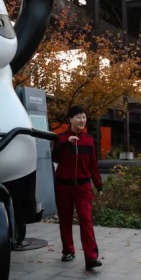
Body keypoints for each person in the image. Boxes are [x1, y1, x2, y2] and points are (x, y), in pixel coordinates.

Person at [52, 106, 103, 270]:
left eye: (84, 117)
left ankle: (91, 257)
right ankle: (68, 250)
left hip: (83, 186)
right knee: (65, 219)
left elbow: (93, 164)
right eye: (78, 117)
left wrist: (98, 184)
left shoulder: (88, 140)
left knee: (86, 219)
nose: (82, 120)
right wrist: (67, 144)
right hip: (63, 186)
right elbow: (56, 158)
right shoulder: (60, 138)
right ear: (70, 119)